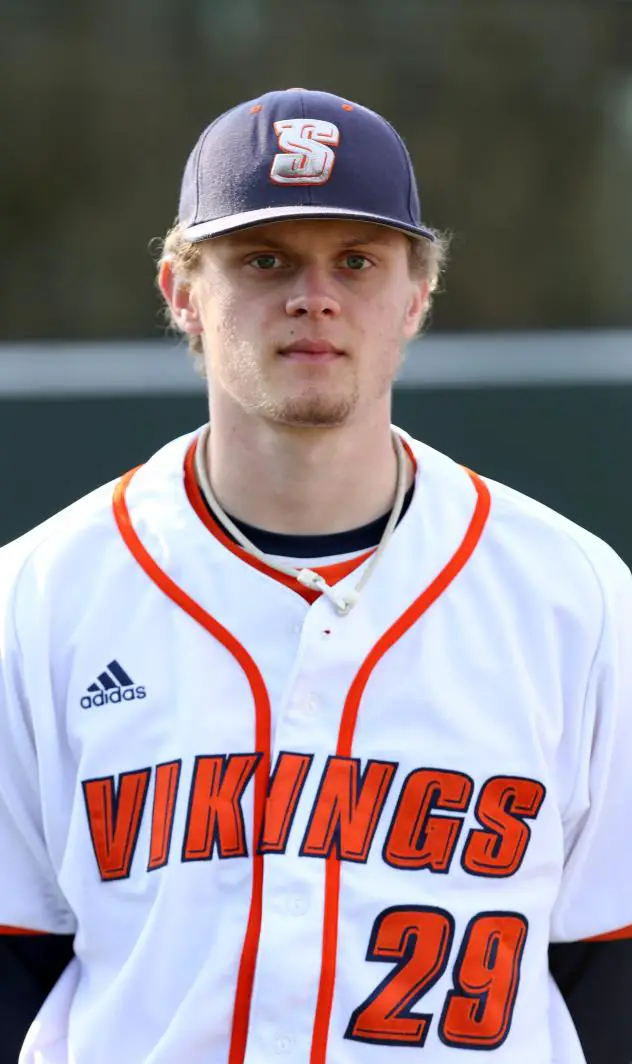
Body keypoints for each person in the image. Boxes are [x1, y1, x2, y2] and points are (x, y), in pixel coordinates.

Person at [0, 87, 631, 1064]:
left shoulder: (572, 597)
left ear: (416, 293)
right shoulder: (37, 597)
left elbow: (608, 961)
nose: (313, 296)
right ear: (179, 290)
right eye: (263, 260)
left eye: (357, 260)